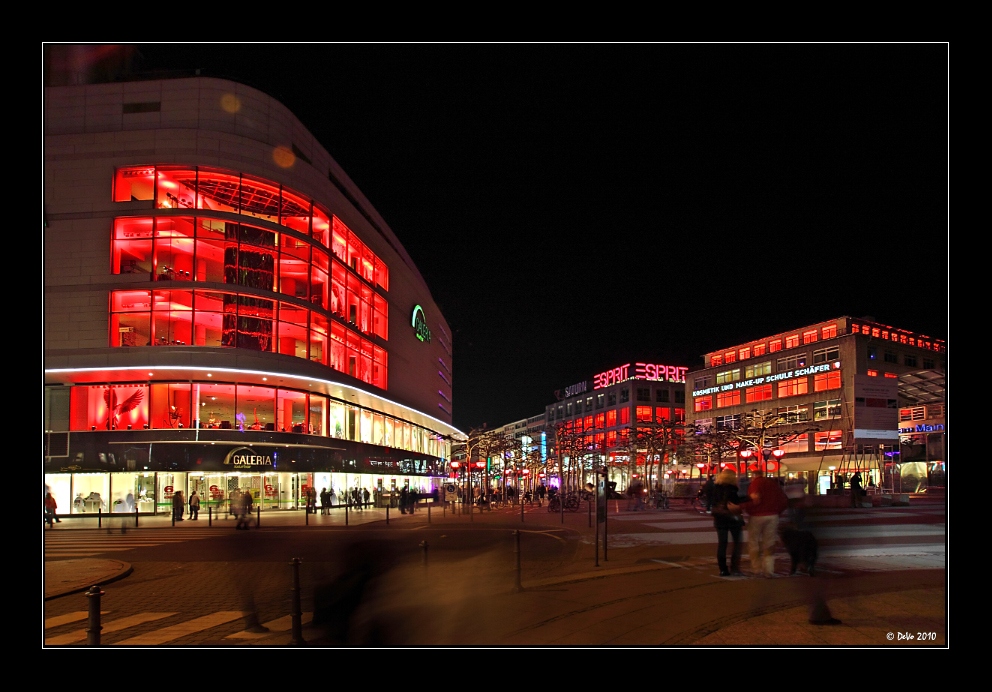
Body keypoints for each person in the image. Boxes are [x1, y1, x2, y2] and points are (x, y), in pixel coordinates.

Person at [745, 470, 789, 578]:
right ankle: (769, 569)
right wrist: (778, 512)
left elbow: (755, 500)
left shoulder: (755, 484)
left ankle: (756, 568)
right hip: (773, 515)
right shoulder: (773, 484)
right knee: (769, 542)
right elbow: (784, 500)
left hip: (757, 516)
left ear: (754, 476)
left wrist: (744, 508)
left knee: (753, 542)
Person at [710, 468, 747, 576]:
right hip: (732, 519)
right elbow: (735, 503)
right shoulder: (732, 489)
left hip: (719, 518)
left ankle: (723, 569)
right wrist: (749, 498)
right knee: (737, 543)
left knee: (722, 544)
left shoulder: (715, 488)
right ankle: (735, 567)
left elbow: (712, 502)